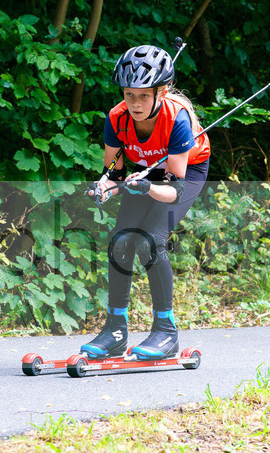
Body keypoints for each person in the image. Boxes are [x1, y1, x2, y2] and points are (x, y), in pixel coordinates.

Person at [81, 44, 210, 360]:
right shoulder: (117, 118)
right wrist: (104, 189)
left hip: (185, 172)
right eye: (129, 94)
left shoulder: (177, 121)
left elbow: (173, 190)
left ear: (162, 92)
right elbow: (114, 171)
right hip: (144, 169)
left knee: (151, 240)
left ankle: (166, 332)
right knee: (121, 241)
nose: (134, 103)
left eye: (143, 96)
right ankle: (115, 330)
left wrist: (146, 189)